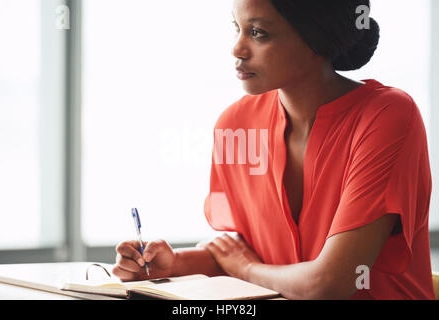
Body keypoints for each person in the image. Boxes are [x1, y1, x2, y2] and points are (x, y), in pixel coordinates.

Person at [113, 0, 435, 299]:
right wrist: (170, 265)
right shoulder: (234, 124)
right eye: (236, 29)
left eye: (258, 33)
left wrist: (246, 269)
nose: (237, 49)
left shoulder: (388, 117)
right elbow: (236, 253)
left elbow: (331, 282)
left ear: (315, 39)